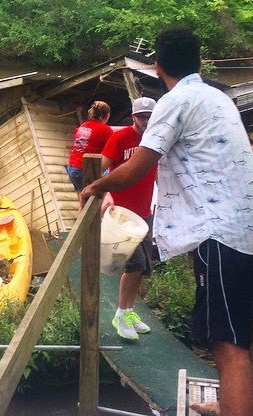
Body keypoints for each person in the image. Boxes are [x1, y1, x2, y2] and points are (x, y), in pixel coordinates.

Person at [80, 28, 253, 416]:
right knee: (234, 333)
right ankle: (227, 403)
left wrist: (94, 187)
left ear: (157, 67)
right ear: (200, 63)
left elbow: (136, 169)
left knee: (228, 344)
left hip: (225, 237)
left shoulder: (175, 101)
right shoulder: (218, 97)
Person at [101, 96, 158, 340]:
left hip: (145, 212)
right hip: (123, 214)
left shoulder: (157, 140)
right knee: (133, 265)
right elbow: (101, 166)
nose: (145, 121)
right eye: (141, 116)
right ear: (133, 117)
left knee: (143, 267)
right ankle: (120, 314)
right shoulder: (120, 138)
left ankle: (130, 311)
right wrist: (105, 194)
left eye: (149, 116)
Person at [66, 101, 113, 192]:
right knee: (98, 196)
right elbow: (111, 151)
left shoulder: (83, 125)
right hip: (86, 169)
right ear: (107, 115)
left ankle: (82, 205)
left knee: (83, 195)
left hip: (72, 167)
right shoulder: (105, 130)